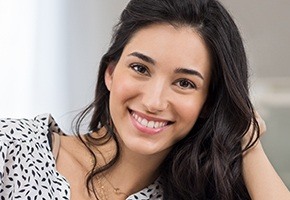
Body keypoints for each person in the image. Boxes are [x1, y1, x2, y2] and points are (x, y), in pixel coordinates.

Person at [0, 0, 289, 199]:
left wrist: (247, 142)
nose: (154, 101)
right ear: (111, 72)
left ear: (208, 104)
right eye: (140, 69)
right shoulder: (12, 146)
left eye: (184, 83)